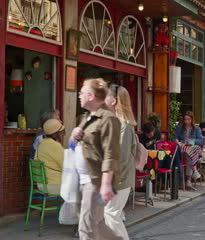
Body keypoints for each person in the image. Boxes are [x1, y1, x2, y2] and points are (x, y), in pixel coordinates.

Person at [71, 78, 121, 239]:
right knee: (96, 222)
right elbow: (74, 147)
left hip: (96, 182)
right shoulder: (86, 118)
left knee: (87, 228)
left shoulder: (108, 119)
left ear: (91, 96)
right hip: (83, 179)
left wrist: (106, 184)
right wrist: (73, 136)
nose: (79, 95)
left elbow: (111, 153)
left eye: (82, 92)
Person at [103, 84, 136, 240]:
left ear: (114, 101)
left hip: (119, 179)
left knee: (110, 215)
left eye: (107, 96)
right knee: (109, 216)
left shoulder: (124, 127)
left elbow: (120, 158)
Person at [34, 119, 65, 194]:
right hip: (54, 186)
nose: (63, 134)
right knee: (79, 188)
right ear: (58, 133)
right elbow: (65, 167)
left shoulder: (42, 143)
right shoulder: (55, 146)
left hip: (41, 185)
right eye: (62, 132)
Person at [174, 111, 203, 189]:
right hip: (182, 148)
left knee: (189, 153)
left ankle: (189, 179)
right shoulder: (180, 127)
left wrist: (191, 141)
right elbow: (175, 137)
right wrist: (176, 140)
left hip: (192, 148)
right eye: (185, 119)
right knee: (189, 153)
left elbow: (201, 140)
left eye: (188, 119)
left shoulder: (197, 129)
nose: (186, 121)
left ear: (192, 120)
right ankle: (193, 174)